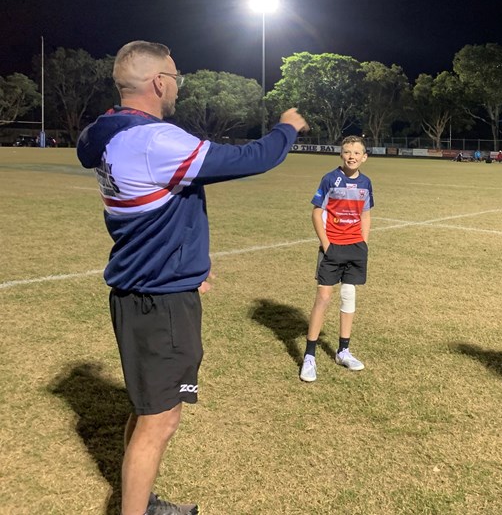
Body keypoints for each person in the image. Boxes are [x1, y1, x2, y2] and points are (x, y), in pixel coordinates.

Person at [76, 41, 309, 515]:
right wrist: (288, 126)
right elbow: (249, 159)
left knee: (150, 410)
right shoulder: (153, 140)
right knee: (160, 420)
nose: (178, 85)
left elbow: (161, 214)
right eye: (176, 76)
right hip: (158, 303)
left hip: (146, 290)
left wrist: (190, 264)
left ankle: (140, 503)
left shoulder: (111, 135)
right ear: (159, 82)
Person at [300, 136, 374, 383]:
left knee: (349, 295)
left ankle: (343, 350)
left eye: (356, 152)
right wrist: (326, 244)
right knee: (323, 297)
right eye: (347, 152)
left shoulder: (366, 183)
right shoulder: (330, 178)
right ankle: (309, 355)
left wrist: (363, 242)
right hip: (332, 247)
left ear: (364, 157)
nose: (352, 156)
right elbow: (317, 211)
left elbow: (365, 213)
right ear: (341, 155)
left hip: (355, 247)